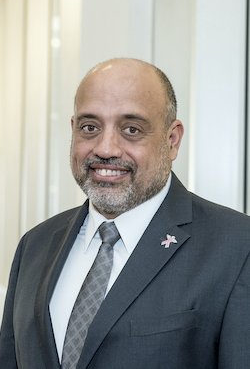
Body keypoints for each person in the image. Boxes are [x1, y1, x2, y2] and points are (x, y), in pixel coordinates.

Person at [0, 58, 250, 369]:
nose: (105, 148)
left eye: (131, 129)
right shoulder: (33, 246)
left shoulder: (238, 247)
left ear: (172, 141)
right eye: (90, 127)